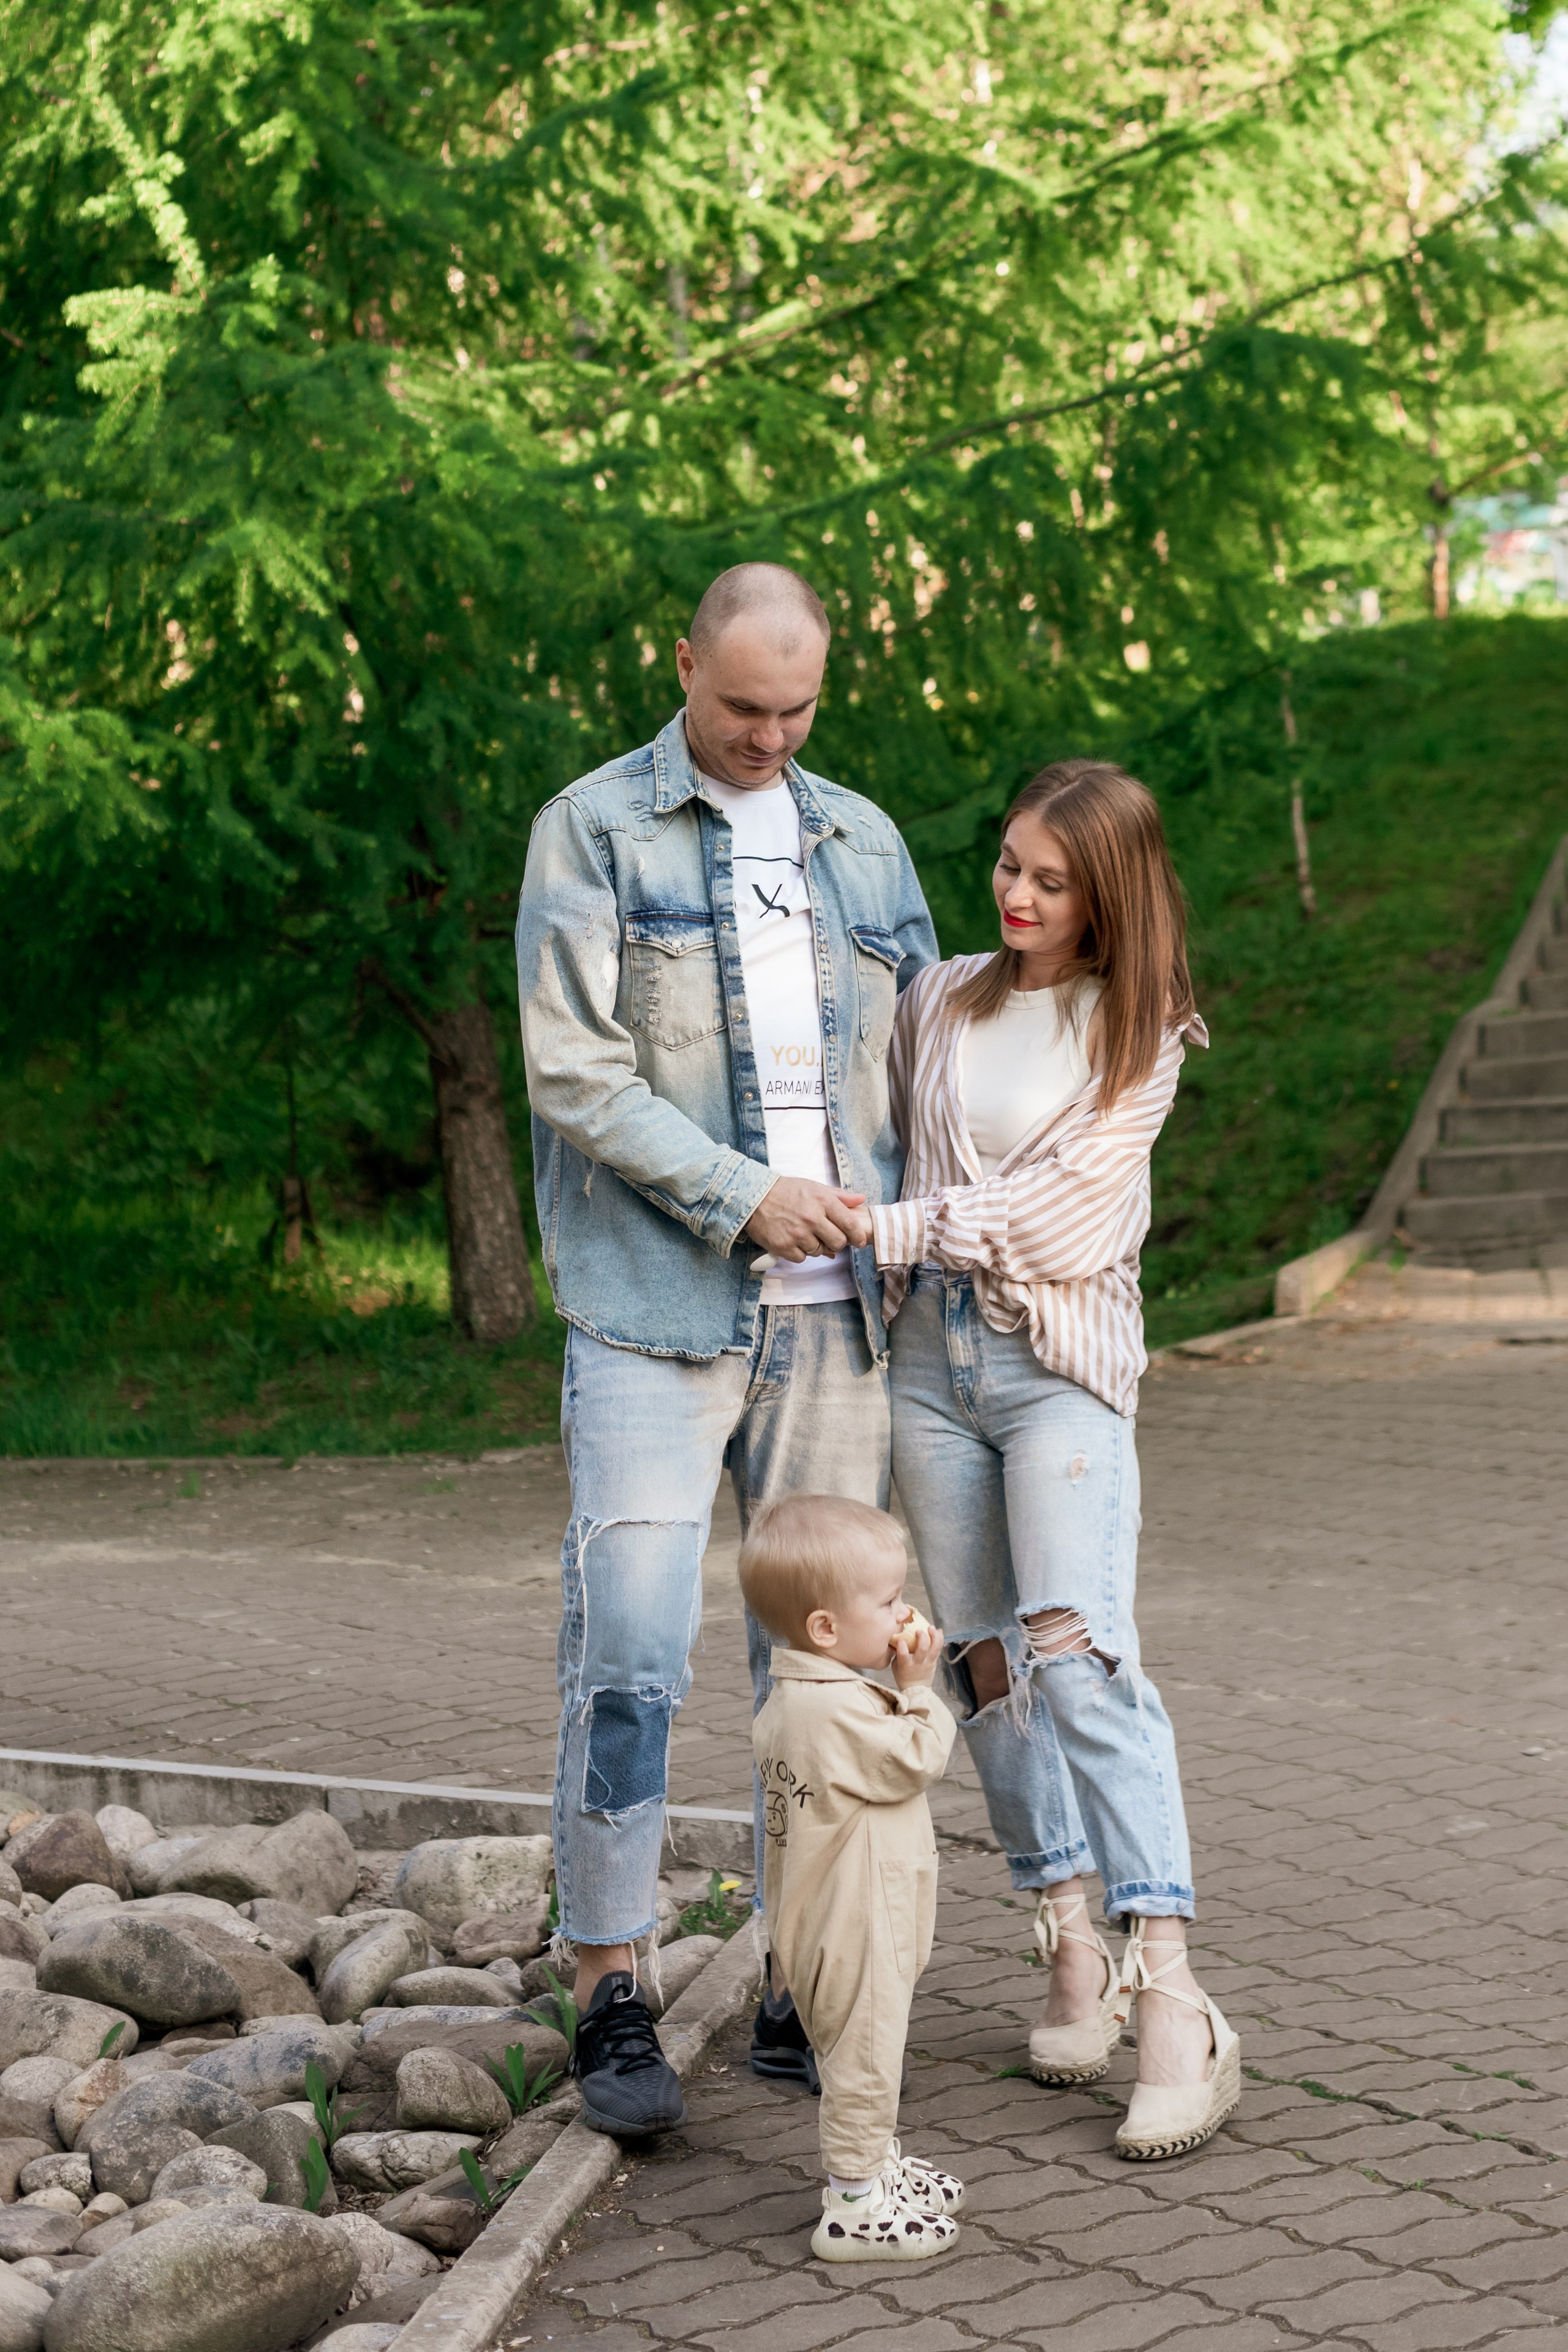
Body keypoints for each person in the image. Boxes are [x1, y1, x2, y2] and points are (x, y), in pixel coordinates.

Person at [514, 562, 938, 2139]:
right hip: (650, 1303)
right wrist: (742, 1195)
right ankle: (611, 1982)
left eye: (796, 709)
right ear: (682, 663)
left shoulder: (863, 835)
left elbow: (925, 1048)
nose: (767, 736)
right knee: (626, 1649)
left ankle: (799, 1975)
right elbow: (569, 1069)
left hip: (840, 1324)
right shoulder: (591, 828)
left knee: (817, 1661)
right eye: (740, 705)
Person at [862, 757, 1240, 2163]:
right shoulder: (938, 997)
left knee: (1072, 1649)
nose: (1014, 894)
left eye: (1047, 877)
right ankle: (1064, 1934)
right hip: (925, 1370)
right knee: (979, 1661)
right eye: (1008, 863)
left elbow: (1061, 1222)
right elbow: (896, 1140)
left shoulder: (1137, 1033)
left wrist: (887, 1230)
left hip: (1058, 1371)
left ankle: (1171, 1994)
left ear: (1107, 894)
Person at [742, 1493, 964, 2261]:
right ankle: (854, 2202)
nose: (905, 1612)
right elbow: (918, 1758)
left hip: (850, 1911)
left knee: (867, 2047)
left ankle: (875, 2163)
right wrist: (920, 1687)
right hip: (855, 1919)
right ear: (826, 1629)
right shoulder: (835, 1710)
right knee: (865, 2057)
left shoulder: (804, 1697)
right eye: (889, 1600)